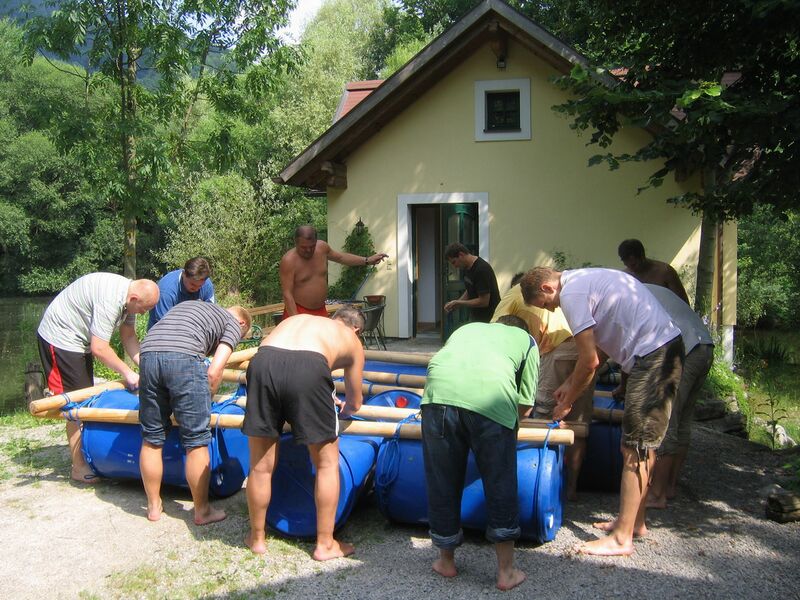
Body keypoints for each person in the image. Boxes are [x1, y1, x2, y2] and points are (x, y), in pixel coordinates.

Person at [521, 267, 684, 556]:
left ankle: (621, 539)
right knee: (639, 444)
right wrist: (570, 383)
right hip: (659, 352)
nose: (552, 309)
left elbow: (590, 361)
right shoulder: (586, 280)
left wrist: (568, 401)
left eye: (546, 304)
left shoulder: (571, 294)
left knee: (635, 447)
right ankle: (634, 523)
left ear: (547, 288)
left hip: (654, 357)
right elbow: (603, 348)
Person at [421, 315, 539, 591]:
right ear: (521, 329)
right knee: (500, 482)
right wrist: (505, 424)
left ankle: (446, 561)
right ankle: (506, 572)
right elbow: (526, 404)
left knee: (442, 480)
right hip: (492, 400)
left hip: (438, 396)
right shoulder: (527, 341)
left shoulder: (467, 328)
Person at [243, 306, 366, 560]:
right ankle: (325, 544)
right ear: (356, 329)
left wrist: (323, 398)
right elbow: (355, 402)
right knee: (327, 464)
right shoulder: (352, 340)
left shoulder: (301, 320)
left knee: (260, 466)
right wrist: (339, 409)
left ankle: (256, 538)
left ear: (333, 318)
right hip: (309, 366)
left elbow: (288, 365)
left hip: (263, 361)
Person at [36, 273, 160, 484]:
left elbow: (129, 336)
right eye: (144, 309)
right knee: (75, 401)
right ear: (134, 299)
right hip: (60, 338)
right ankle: (78, 466)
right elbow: (100, 348)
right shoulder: (111, 300)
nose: (143, 313)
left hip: (79, 340)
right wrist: (128, 373)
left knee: (85, 398)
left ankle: (89, 454)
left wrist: (147, 367)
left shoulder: (129, 299)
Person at [138, 301, 252, 524]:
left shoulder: (194, 307)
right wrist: (205, 399)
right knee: (196, 440)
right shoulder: (233, 323)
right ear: (242, 323)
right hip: (183, 357)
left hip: (148, 353)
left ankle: (153, 506)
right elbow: (214, 371)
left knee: (151, 437)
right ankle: (202, 511)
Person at [491, 280, 595, 501]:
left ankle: (543, 488)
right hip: (583, 349)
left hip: (555, 350)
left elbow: (494, 334)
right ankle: (571, 488)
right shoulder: (558, 295)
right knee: (578, 421)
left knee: (545, 418)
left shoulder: (512, 295)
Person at [641, 284, 714, 508]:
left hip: (687, 350)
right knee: (682, 421)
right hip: (704, 346)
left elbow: (636, 346)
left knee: (666, 420)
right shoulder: (647, 289)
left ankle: (657, 494)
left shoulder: (632, 296)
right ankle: (670, 486)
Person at [279, 225, 388, 319]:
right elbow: (287, 294)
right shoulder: (289, 261)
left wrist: (367, 260)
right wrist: (296, 320)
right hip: (298, 312)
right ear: (296, 243)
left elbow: (341, 258)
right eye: (304, 247)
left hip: (321, 310)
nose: (308, 250)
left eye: (312, 246)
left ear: (316, 241)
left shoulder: (322, 248)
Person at [148, 257, 216, 329]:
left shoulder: (207, 284)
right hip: (164, 329)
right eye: (192, 284)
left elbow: (212, 314)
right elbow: (163, 325)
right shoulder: (166, 291)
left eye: (200, 286)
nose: (196, 289)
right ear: (184, 274)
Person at [617, 239, 691, 304]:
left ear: (642, 256)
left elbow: (683, 303)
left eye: (634, 265)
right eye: (627, 265)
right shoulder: (625, 277)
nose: (632, 269)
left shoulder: (665, 271)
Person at [443, 243, 500, 323]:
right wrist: (456, 304)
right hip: (477, 317)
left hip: (489, 319)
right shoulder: (467, 267)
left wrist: (460, 303)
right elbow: (470, 289)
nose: (455, 266)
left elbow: (484, 301)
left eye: (454, 262)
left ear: (461, 255)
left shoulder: (481, 269)